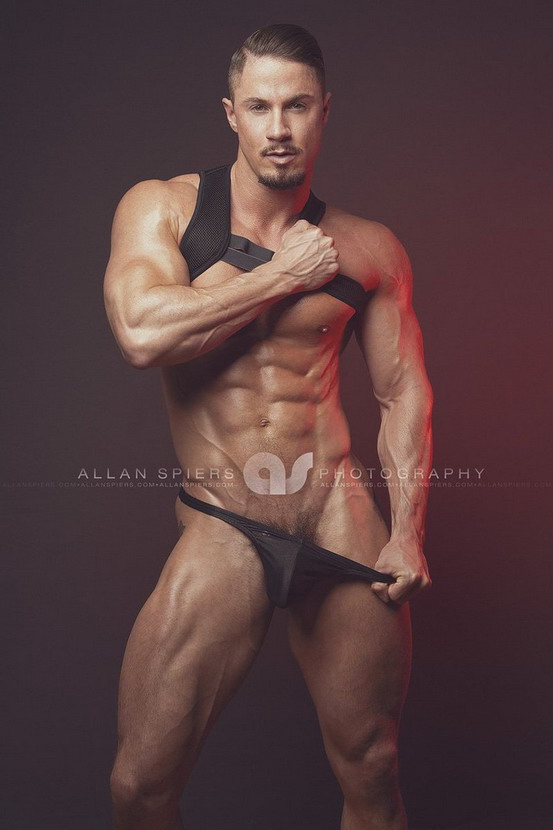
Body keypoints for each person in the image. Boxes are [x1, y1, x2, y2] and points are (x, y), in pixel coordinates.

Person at [103, 22, 433, 830]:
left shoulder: (368, 248)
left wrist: (407, 533)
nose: (278, 127)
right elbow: (142, 335)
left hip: (336, 513)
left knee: (373, 764)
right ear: (231, 113)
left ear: (324, 112)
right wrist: (279, 275)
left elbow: (403, 394)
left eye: (296, 106)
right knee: (142, 783)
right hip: (226, 519)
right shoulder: (165, 208)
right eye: (259, 107)